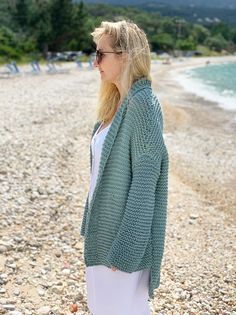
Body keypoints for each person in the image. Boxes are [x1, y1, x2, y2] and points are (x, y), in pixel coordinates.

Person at [80, 20, 169, 315]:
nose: (95, 63)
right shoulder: (116, 103)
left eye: (101, 54)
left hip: (122, 244)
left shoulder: (143, 105)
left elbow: (146, 181)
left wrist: (128, 246)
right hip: (103, 235)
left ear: (126, 55)